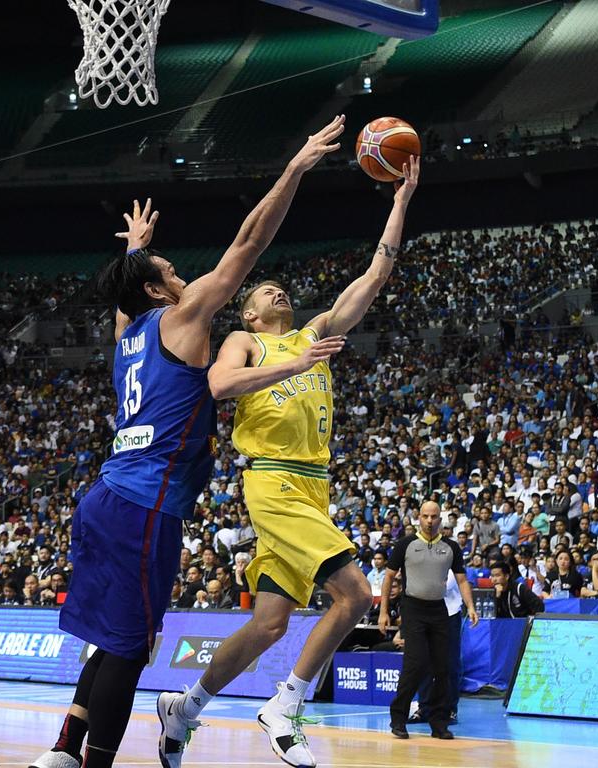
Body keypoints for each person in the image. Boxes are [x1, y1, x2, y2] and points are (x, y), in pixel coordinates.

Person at [31, 116, 348, 768]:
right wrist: (295, 167)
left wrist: (137, 249)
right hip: (146, 506)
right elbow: (249, 240)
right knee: (129, 647)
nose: (183, 276)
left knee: (105, 637)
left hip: (104, 499)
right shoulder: (183, 317)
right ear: (157, 291)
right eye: (170, 271)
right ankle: (95, 763)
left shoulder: (128, 335)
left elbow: (122, 296)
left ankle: (63, 751)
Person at [157, 151, 419, 768]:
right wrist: (295, 364)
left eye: (281, 287)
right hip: (272, 482)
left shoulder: (313, 332)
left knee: (271, 622)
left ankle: (187, 705)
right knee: (353, 594)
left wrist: (400, 204)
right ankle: (286, 705)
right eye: (264, 289)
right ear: (249, 313)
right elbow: (220, 387)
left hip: (313, 487)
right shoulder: (247, 340)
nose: (278, 288)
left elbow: (373, 279)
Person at [379, 502, 478, 740]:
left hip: (439, 609)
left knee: (443, 667)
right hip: (413, 608)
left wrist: (471, 607)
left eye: (434, 516)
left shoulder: (451, 547)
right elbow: (389, 577)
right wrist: (383, 611)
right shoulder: (405, 544)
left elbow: (463, 580)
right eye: (425, 516)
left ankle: (439, 722)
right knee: (415, 665)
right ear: (419, 519)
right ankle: (399, 718)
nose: (430, 520)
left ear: (440, 519)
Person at [408, 570, 465, 725]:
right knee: (424, 663)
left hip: (449, 615)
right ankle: (424, 708)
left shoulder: (450, 556)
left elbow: (443, 587)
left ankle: (450, 709)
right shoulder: (420, 555)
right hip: (424, 615)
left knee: (450, 664)